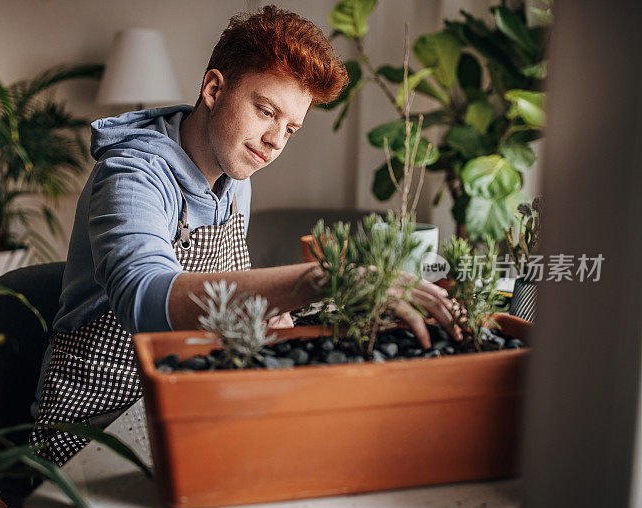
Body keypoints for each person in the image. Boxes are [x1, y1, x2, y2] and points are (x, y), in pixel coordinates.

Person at [30, 5, 461, 466]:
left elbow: (230, 298)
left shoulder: (237, 182)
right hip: (94, 426)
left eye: (290, 127)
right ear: (214, 89)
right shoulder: (133, 175)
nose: (276, 140)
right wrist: (322, 277)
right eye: (265, 111)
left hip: (187, 391)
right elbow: (144, 297)